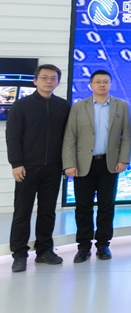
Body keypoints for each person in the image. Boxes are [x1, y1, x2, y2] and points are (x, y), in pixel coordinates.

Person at [5, 64, 71, 273]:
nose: (48, 81)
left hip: (53, 167)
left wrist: (66, 164)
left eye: (53, 78)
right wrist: (16, 163)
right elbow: (12, 136)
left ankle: (44, 250)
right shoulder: (21, 105)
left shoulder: (63, 106)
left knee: (47, 212)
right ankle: (19, 254)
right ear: (35, 81)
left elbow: (68, 137)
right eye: (44, 78)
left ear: (58, 82)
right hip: (27, 168)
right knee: (22, 212)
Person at [62, 69, 131, 263]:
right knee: (83, 207)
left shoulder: (121, 106)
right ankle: (83, 247)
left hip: (109, 164)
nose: (102, 85)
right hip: (83, 164)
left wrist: (123, 160)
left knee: (106, 206)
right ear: (90, 85)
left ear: (111, 84)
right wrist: (69, 163)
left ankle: (103, 245)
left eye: (105, 81)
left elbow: (127, 136)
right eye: (98, 81)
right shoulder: (79, 107)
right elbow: (70, 137)